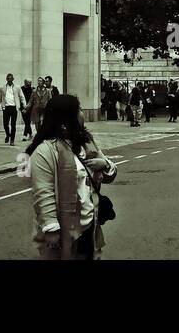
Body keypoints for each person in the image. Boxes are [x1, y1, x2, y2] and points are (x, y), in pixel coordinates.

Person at [28, 94, 117, 260]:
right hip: (64, 229)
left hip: (90, 224)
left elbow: (109, 173)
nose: (82, 114)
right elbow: (43, 192)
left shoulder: (85, 142)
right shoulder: (45, 151)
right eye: (80, 110)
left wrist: (104, 165)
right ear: (66, 117)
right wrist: (51, 227)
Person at [0, 73, 22, 146]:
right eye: (8, 78)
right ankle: (8, 134)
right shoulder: (2, 88)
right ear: (6, 79)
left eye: (10, 78)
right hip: (6, 107)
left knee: (13, 125)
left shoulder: (17, 87)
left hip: (14, 107)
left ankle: (12, 140)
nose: (9, 79)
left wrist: (24, 106)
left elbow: (21, 97)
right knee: (5, 124)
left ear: (13, 79)